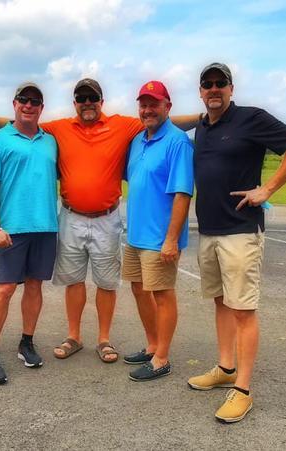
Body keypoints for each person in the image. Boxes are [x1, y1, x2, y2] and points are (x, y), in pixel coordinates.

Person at [0, 80, 200, 364]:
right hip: (71, 216)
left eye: (92, 97)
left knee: (106, 282)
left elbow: (161, 118)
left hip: (106, 217)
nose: (87, 102)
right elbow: (19, 120)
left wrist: (204, 117)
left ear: (101, 101)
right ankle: (74, 336)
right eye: (81, 97)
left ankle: (104, 339)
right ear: (75, 102)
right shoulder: (58, 128)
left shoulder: (123, 126)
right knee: (74, 280)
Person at [188, 63, 286, 423]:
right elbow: (178, 117)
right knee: (221, 302)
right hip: (209, 230)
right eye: (207, 84)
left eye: (220, 83)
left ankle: (242, 390)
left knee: (243, 309)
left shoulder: (251, 118)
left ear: (231, 87)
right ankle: (225, 367)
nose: (214, 89)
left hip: (241, 231)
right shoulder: (202, 126)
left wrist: (268, 189)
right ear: (200, 91)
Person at [0, 82, 58, 384]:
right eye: (23, 99)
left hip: (45, 226)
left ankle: (26, 341)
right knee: (5, 290)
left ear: (41, 107)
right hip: (9, 229)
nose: (29, 105)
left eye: (35, 101)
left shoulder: (50, 141)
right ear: (14, 103)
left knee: (35, 286)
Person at [122, 81, 193, 382]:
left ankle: (162, 358)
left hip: (160, 238)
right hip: (136, 234)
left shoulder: (178, 142)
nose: (148, 109)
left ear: (168, 107)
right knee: (138, 289)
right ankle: (152, 345)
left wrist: (172, 239)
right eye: (143, 104)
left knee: (162, 294)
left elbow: (182, 193)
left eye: (154, 103)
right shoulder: (138, 140)